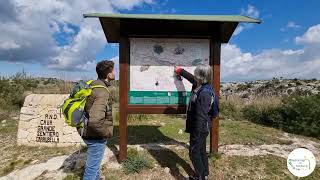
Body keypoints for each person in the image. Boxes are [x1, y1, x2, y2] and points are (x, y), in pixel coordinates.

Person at [175, 65, 219, 180]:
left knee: (194, 152)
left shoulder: (204, 93)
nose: (194, 75)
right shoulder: (200, 85)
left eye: (196, 74)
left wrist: (196, 134)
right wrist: (180, 71)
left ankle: (200, 177)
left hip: (199, 128)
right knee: (201, 151)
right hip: (201, 128)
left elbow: (201, 116)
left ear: (201, 77)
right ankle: (204, 173)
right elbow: (190, 78)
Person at [78, 60, 115, 180]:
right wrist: (105, 133)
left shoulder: (93, 84)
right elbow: (95, 121)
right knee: (92, 169)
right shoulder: (102, 91)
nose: (115, 73)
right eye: (113, 70)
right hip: (94, 135)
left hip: (86, 130)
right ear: (108, 74)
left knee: (95, 163)